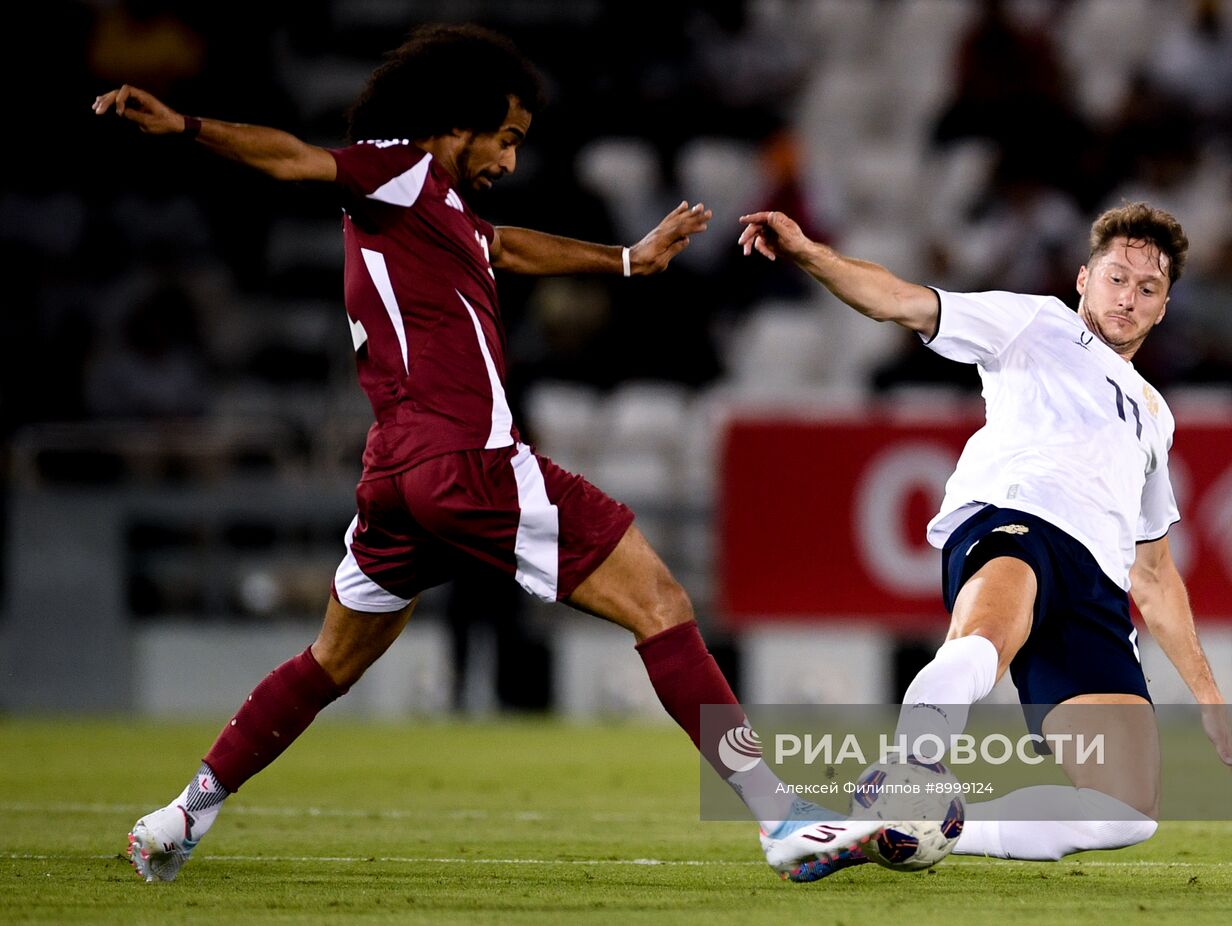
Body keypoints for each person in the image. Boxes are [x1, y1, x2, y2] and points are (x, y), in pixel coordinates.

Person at [94, 23, 882, 884]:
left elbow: (502, 246)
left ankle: (182, 814)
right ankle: (781, 820)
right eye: (504, 138)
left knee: (330, 661)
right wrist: (189, 129)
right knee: (660, 601)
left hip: (393, 479)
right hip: (467, 457)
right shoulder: (393, 169)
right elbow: (294, 160)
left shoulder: (439, 208)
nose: (509, 160)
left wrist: (625, 259)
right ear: (456, 121)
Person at [737, 202, 1232, 879]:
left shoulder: (1157, 416)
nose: (1128, 297)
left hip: (1095, 584)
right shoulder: (1036, 325)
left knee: (1126, 810)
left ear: (1164, 308)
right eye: (1116, 278)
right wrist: (811, 252)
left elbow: (1154, 574)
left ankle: (897, 828)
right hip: (1020, 521)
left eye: (1147, 289)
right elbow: (901, 302)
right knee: (984, 638)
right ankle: (909, 775)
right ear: (1083, 279)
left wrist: (1209, 696)